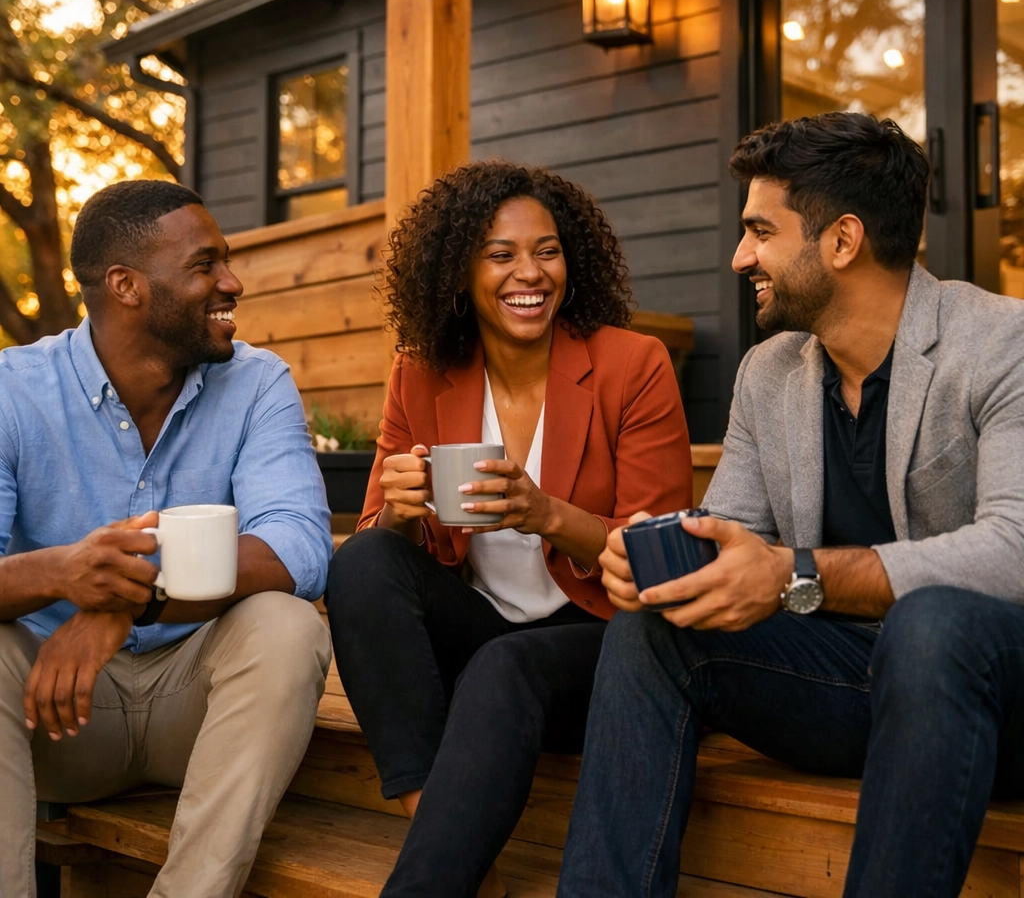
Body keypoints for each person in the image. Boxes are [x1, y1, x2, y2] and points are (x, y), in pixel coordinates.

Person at [556, 112, 1024, 898]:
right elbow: (735, 539)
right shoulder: (769, 372)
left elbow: (1014, 551)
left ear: (841, 241)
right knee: (657, 624)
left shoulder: (1001, 342)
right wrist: (663, 559)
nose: (740, 256)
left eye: (759, 231)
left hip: (994, 697)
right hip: (853, 686)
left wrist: (793, 573)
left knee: (932, 621)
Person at [326, 160, 692, 898]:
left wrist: (545, 513)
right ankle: (450, 836)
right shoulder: (422, 371)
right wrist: (397, 509)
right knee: (362, 563)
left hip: (605, 648)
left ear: (571, 259)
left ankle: (431, 875)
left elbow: (661, 555)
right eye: (501, 255)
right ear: (458, 271)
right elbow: (378, 532)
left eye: (547, 251)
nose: (530, 272)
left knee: (508, 668)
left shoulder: (633, 365)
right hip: (485, 638)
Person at [0, 180, 333, 898]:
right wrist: (65, 574)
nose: (232, 283)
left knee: (285, 623)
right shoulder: (12, 392)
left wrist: (130, 603)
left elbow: (300, 547)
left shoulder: (258, 382)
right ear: (126, 285)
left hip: (201, 707)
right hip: (58, 715)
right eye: (204, 266)